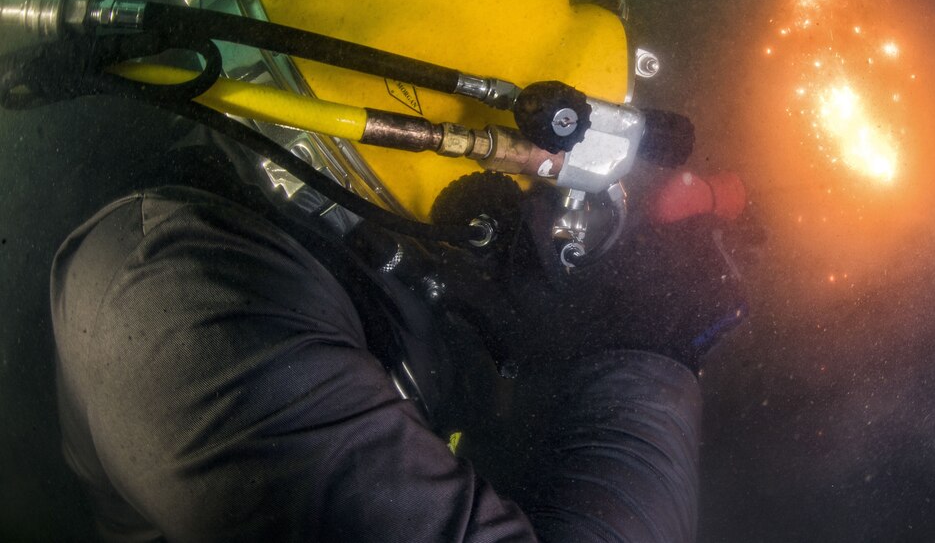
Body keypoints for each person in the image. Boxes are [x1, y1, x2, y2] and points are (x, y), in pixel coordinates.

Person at [50, 146, 745, 541]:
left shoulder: (357, 256)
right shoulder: (177, 290)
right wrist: (650, 365)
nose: (558, 220)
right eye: (539, 180)